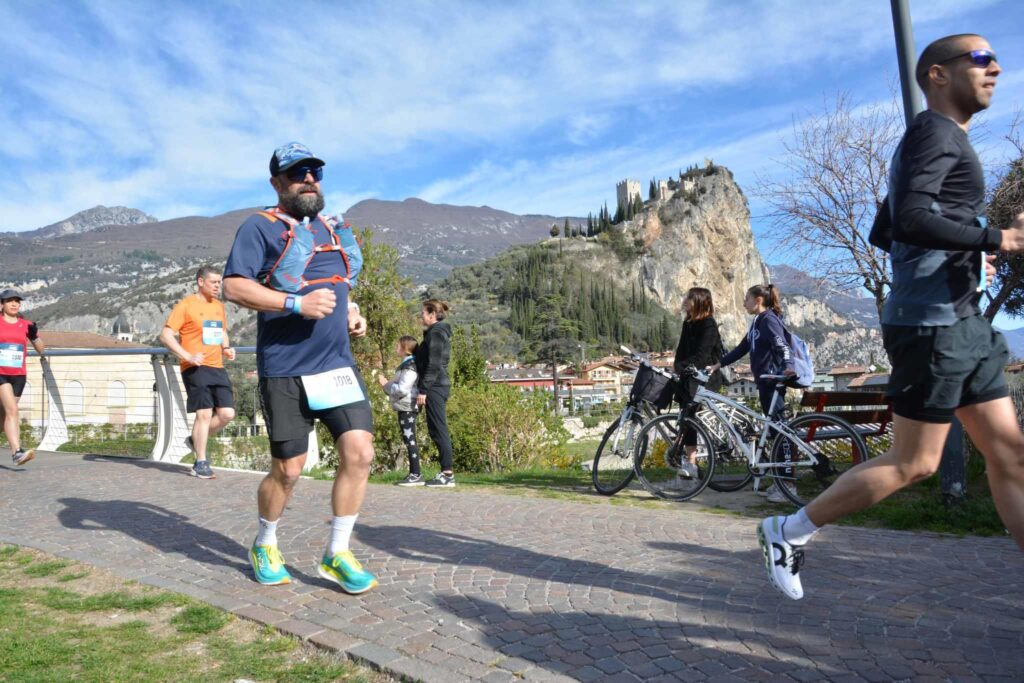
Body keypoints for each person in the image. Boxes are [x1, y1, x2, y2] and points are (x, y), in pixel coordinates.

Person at [757, 34, 1024, 601]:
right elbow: (908, 218)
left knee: (1009, 453)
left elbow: (887, 228)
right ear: (936, 74)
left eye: (994, 59)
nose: (995, 67)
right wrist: (994, 235)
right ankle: (788, 531)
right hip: (932, 324)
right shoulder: (933, 132)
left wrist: (973, 248)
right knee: (916, 462)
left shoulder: (935, 141)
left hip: (961, 318)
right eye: (979, 59)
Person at [223, 142, 377, 594]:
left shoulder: (331, 229)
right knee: (289, 471)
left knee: (360, 454)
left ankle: (337, 552)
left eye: (315, 172)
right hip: (286, 368)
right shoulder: (260, 228)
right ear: (277, 184)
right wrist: (295, 303)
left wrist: (352, 310)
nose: (308, 179)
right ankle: (265, 543)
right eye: (297, 173)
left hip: (335, 366)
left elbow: (336, 281)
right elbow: (233, 288)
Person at [708, 284, 796, 503]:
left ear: (758, 300)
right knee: (775, 431)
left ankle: (789, 485)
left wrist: (788, 364)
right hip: (764, 383)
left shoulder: (768, 320)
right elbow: (741, 348)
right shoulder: (757, 322)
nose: (743, 302)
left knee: (780, 431)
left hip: (773, 380)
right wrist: (719, 364)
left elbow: (782, 345)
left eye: (746, 298)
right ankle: (780, 482)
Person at [159, 266, 236, 479]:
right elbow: (165, 336)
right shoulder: (185, 306)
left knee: (227, 414)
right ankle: (200, 462)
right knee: (203, 414)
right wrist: (186, 356)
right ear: (201, 282)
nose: (218, 287)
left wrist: (226, 348)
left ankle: (195, 440)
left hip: (217, 366)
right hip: (195, 368)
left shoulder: (219, 306)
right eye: (214, 283)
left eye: (219, 283)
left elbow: (222, 332)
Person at [672, 287, 724, 479]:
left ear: (699, 302)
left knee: (690, 416)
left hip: (706, 377)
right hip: (690, 375)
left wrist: (682, 366)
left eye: (689, 298)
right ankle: (689, 463)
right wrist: (678, 366)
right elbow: (681, 350)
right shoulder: (689, 323)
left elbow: (703, 356)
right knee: (686, 417)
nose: (685, 300)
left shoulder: (708, 325)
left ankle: (691, 464)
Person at [0, 290, 44, 466]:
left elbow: (41, 349)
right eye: (10, 301)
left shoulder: (25, 324)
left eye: (17, 301)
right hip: (1, 373)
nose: (14, 304)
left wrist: (34, 335)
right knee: (13, 411)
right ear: (2, 304)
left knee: (4, 415)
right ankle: (17, 452)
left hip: (19, 375)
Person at [414, 299, 455, 487]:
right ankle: (446, 473)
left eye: (423, 312)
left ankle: (447, 474)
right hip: (436, 385)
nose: (421, 315)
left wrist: (424, 389)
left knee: (439, 429)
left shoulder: (436, 333)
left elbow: (434, 364)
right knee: (435, 429)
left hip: (435, 387)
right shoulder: (434, 333)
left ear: (432, 314)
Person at [376, 336, 423, 486]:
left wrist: (385, 385)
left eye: (398, 345)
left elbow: (403, 388)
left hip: (407, 405)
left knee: (410, 439)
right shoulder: (407, 365)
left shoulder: (410, 366)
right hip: (405, 405)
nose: (396, 347)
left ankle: (416, 474)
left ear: (405, 349)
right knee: (408, 438)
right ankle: (414, 473)